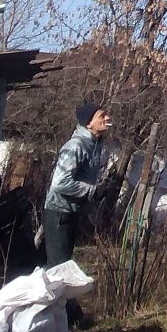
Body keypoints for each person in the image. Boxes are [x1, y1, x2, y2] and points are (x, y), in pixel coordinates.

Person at [43, 99, 111, 270]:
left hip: (71, 213)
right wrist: (93, 191)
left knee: (62, 267)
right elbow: (60, 183)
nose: (107, 118)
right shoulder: (76, 146)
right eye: (101, 116)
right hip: (59, 213)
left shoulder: (95, 146)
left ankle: (60, 296)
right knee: (58, 270)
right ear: (89, 123)